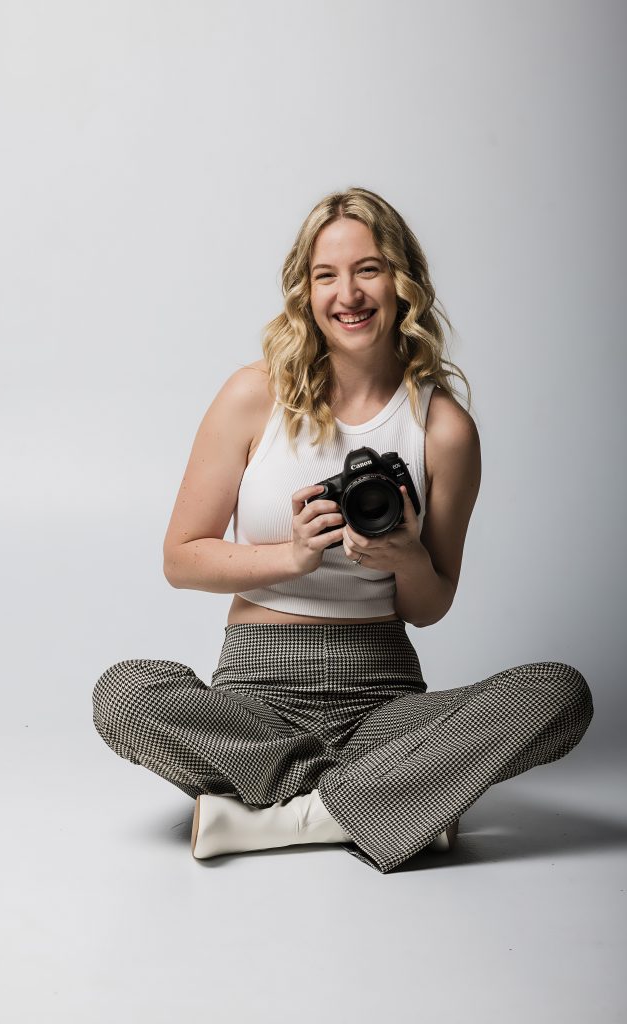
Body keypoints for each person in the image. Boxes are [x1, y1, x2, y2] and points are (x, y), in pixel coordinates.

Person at [92, 186, 594, 874]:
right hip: (255, 698)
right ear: (305, 291)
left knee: (557, 694)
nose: (348, 293)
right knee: (123, 693)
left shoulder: (443, 430)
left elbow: (429, 604)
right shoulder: (252, 396)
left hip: (381, 707)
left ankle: (274, 812)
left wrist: (405, 556)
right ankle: (390, 803)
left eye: (368, 269)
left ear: (402, 281)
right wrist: (289, 556)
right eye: (326, 274)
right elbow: (181, 559)